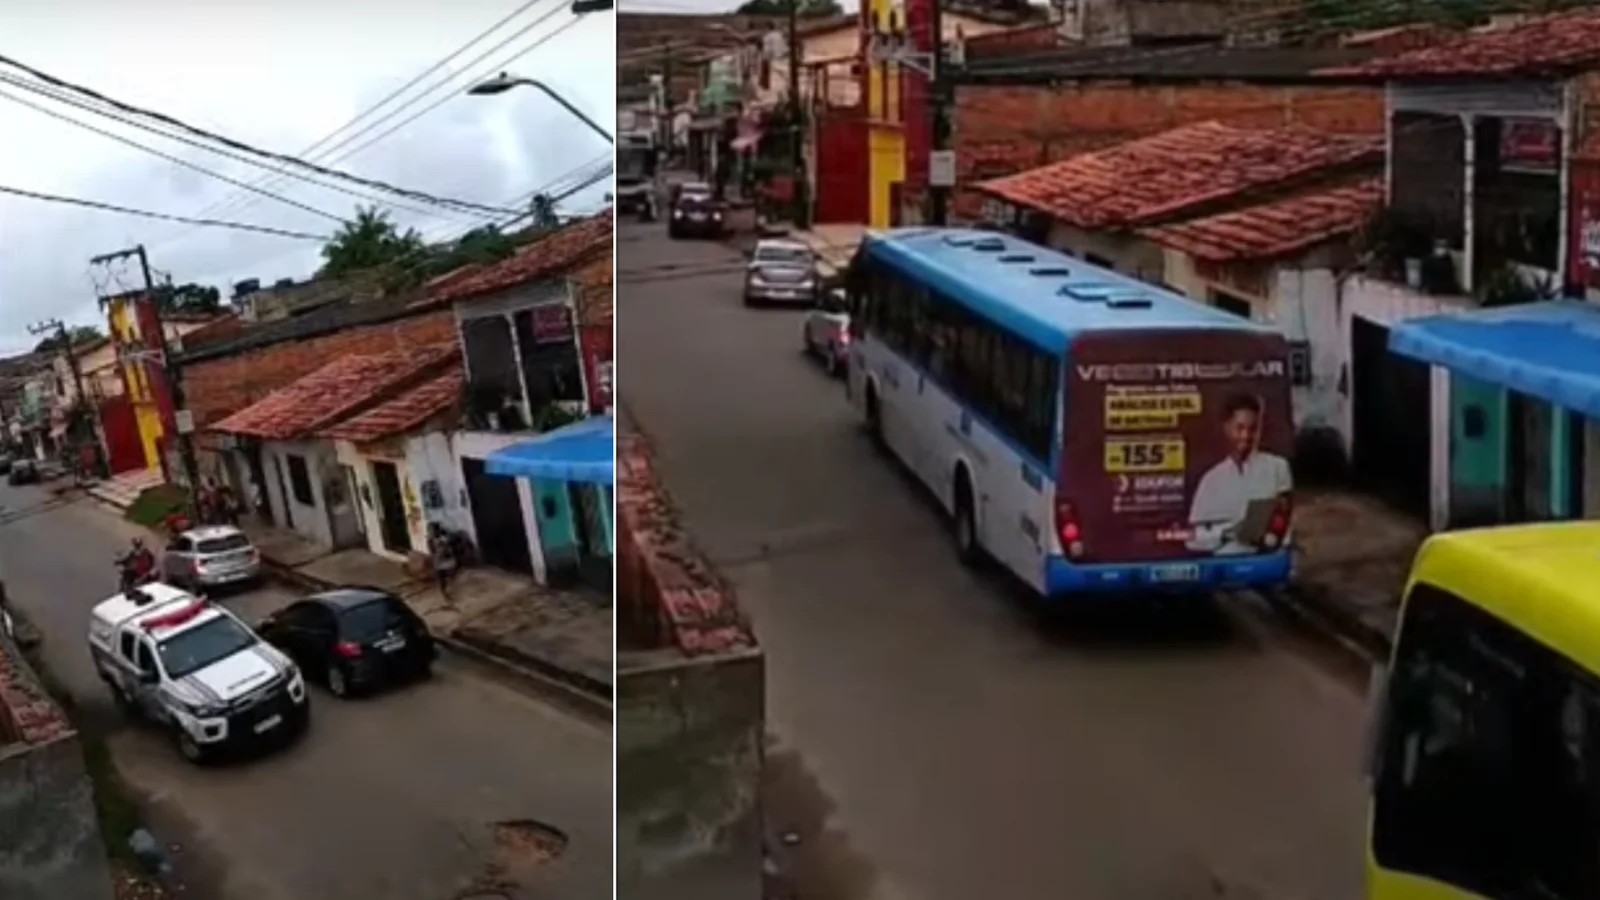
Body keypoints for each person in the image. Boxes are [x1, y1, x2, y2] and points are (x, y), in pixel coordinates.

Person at [1186, 392, 1292, 555]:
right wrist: (1227, 533)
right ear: (1226, 427)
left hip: (1267, 562)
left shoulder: (1277, 468)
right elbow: (1193, 538)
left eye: (1253, 429)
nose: (1246, 436)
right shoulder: (1211, 481)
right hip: (1226, 565)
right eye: (1240, 428)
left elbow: (1286, 526)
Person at [428, 523, 459, 600]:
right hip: (439, 562)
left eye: (432, 530)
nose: (431, 532)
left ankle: (448, 589)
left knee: (451, 577)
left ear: (437, 530)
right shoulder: (430, 540)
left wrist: (446, 549)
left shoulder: (445, 537)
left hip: (448, 561)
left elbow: (450, 548)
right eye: (429, 530)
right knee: (440, 579)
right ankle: (444, 593)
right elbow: (432, 552)